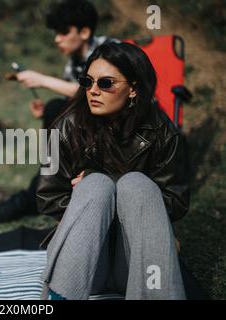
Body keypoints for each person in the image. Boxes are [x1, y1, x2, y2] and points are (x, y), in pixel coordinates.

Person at [37, 42, 190, 300]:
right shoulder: (64, 127)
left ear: (133, 89)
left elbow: (176, 200)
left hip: (135, 262)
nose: (93, 91)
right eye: (87, 81)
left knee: (136, 185)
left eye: (106, 83)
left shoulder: (162, 131)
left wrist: (118, 184)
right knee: (95, 186)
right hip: (84, 264)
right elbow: (48, 197)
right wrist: (98, 190)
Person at [0, 0, 118, 222]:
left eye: (64, 32)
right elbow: (76, 102)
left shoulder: (111, 51)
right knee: (55, 110)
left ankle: (37, 195)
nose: (57, 39)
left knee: (57, 111)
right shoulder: (73, 63)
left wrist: (42, 80)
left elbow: (100, 93)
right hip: (90, 131)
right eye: (56, 33)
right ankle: (47, 188)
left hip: (117, 129)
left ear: (84, 31)